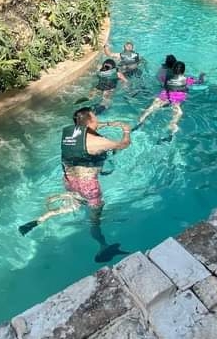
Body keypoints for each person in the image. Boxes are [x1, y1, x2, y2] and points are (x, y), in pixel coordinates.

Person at [18, 107, 132, 262]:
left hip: (69, 181)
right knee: (94, 222)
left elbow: (88, 128)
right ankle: (102, 245)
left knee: (75, 204)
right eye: (95, 118)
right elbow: (123, 145)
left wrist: (109, 123)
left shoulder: (69, 134)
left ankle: (40, 219)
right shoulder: (97, 142)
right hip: (89, 187)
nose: (98, 120)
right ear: (91, 120)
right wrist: (126, 130)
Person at [136, 61, 205, 140]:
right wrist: (201, 76)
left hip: (163, 96)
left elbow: (159, 78)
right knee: (178, 113)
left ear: (173, 70)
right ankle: (172, 131)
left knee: (149, 110)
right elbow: (200, 82)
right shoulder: (187, 80)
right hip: (176, 100)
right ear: (183, 71)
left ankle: (140, 122)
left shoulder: (166, 78)